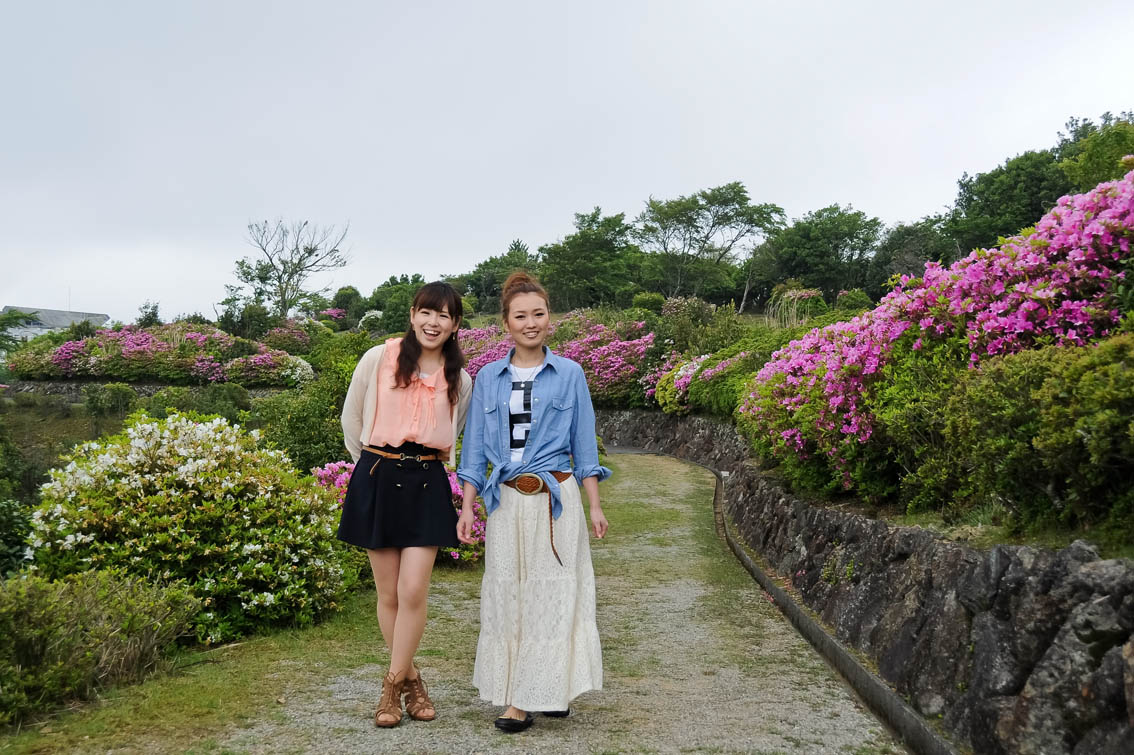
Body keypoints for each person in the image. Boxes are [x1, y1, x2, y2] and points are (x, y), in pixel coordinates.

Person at [456, 271, 611, 733]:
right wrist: (467, 506)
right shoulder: (488, 377)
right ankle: (518, 695)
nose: (530, 323)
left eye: (538, 314)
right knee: (509, 593)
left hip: (555, 499)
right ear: (506, 323)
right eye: (520, 316)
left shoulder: (570, 374)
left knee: (555, 592)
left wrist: (595, 505)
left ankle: (543, 692)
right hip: (505, 501)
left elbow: (585, 447)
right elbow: (473, 450)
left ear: (550, 319)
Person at [338, 281, 473, 728]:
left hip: (427, 480)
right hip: (377, 473)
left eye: (444, 316)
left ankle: (392, 686)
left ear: (455, 324)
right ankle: (412, 679)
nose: (433, 322)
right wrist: (371, 468)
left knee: (413, 590)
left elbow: (456, 430)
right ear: (413, 314)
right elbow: (352, 418)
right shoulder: (379, 358)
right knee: (389, 593)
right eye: (426, 312)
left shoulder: (460, 379)